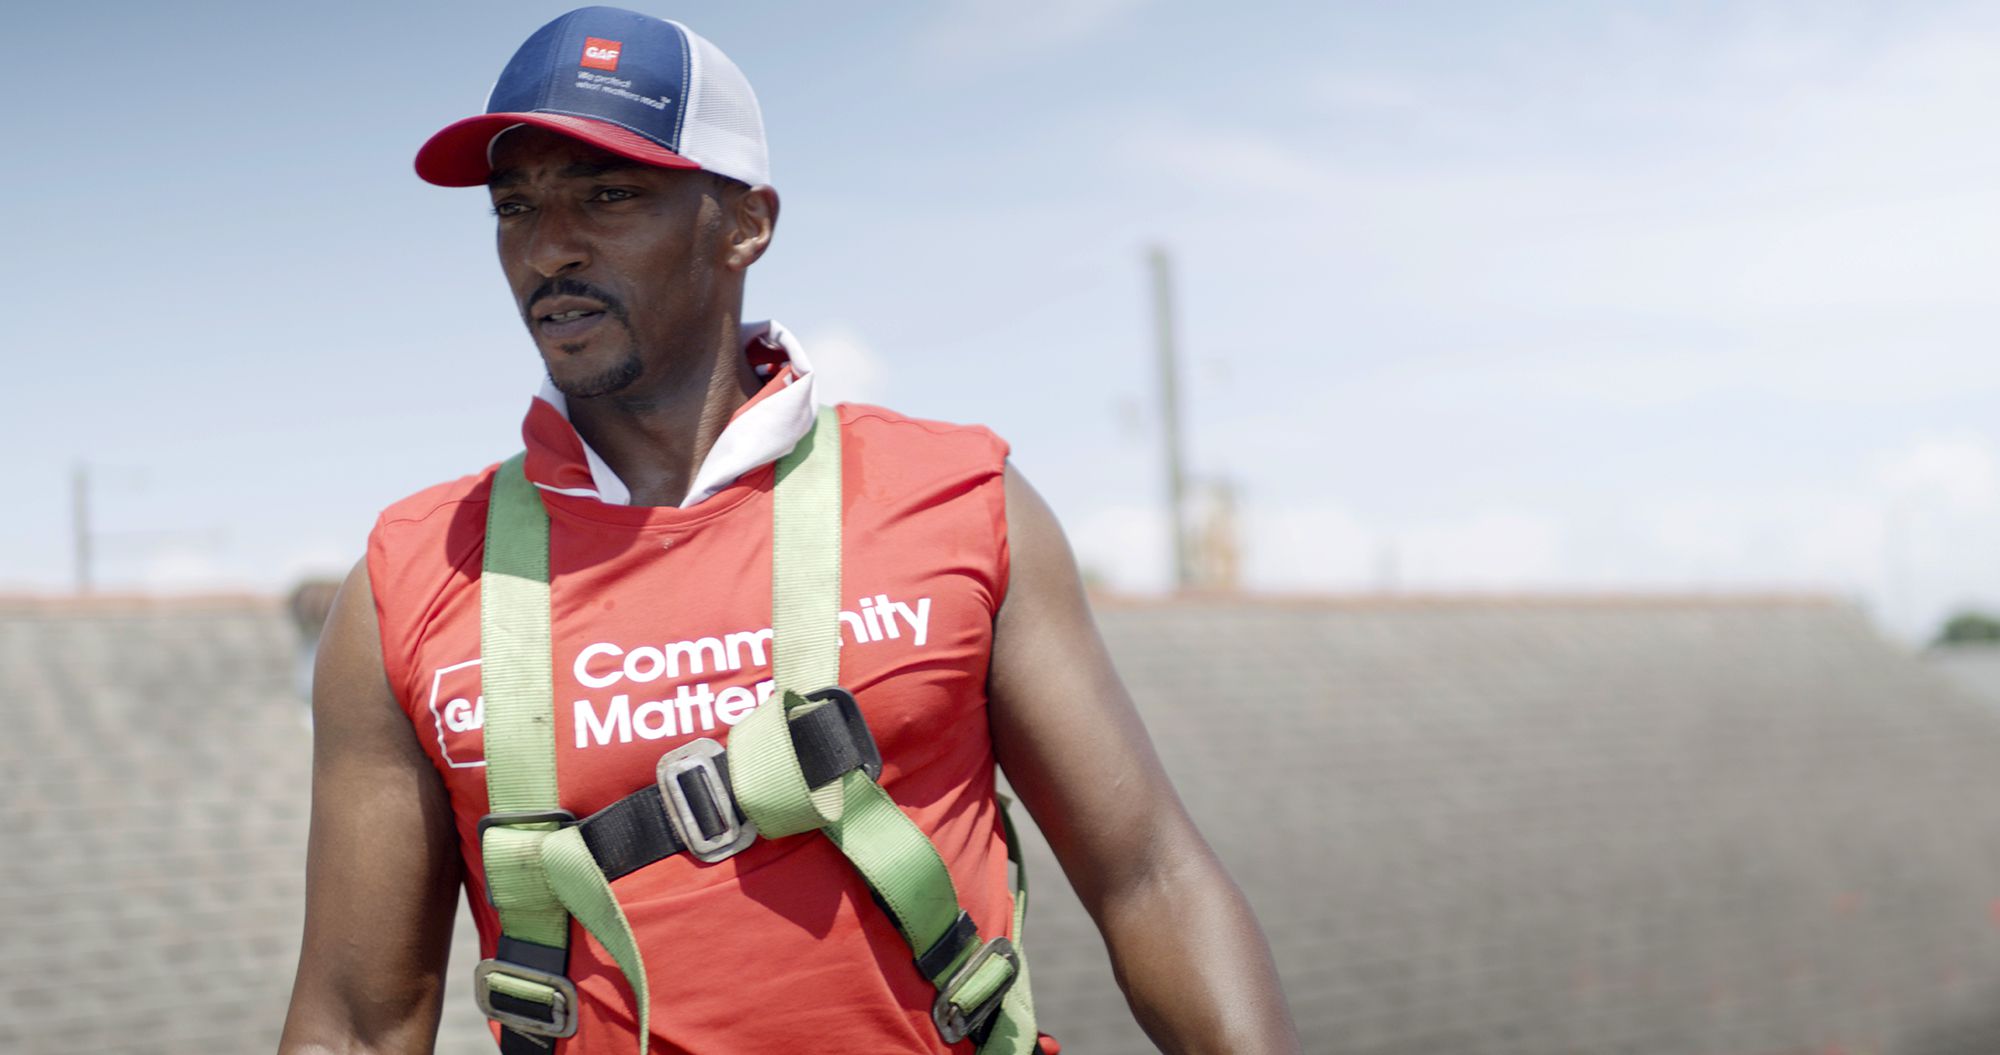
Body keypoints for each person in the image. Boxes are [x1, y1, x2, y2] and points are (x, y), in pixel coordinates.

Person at [278, 8, 1299, 1054]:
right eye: (515, 206)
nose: (548, 247)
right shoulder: (412, 579)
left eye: (607, 195)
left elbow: (1150, 878)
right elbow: (355, 1022)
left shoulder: (955, 498)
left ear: (743, 224)